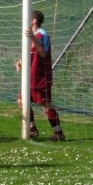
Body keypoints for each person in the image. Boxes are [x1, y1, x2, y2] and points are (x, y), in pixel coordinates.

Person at [15, 10, 65, 141]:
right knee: (21, 102)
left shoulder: (42, 35)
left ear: (34, 21)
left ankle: (59, 133)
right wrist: (21, 61)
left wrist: (32, 37)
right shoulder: (31, 35)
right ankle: (32, 129)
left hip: (40, 77)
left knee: (46, 104)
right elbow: (30, 52)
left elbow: (43, 53)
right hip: (29, 77)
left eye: (28, 18)